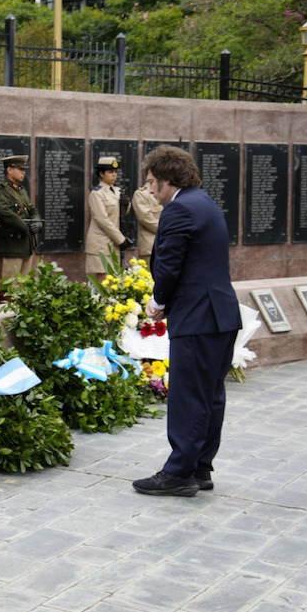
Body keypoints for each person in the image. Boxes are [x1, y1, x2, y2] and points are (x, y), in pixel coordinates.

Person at [134, 145, 241, 497]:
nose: (150, 190)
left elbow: (169, 265)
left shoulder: (179, 209)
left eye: (152, 182)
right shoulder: (204, 202)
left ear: (167, 179)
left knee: (188, 395)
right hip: (220, 314)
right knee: (210, 395)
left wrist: (158, 301)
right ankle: (200, 467)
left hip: (197, 315)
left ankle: (179, 472)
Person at [0, 154, 41, 299]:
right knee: (10, 286)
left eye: (24, 169)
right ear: (9, 170)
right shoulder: (1, 190)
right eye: (20, 169)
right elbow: (4, 212)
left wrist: (37, 222)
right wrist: (24, 226)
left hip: (26, 245)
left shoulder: (21, 190)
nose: (23, 172)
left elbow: (33, 210)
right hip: (11, 245)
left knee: (24, 286)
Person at [85, 156, 133, 278]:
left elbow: (120, 216)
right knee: (104, 281)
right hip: (101, 243)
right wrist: (120, 239)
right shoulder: (96, 193)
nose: (114, 175)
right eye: (110, 172)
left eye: (115, 172)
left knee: (115, 282)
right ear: (101, 174)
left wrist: (126, 205)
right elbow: (102, 220)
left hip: (114, 244)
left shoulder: (117, 191)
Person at [132, 179, 162, 267]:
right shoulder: (142, 194)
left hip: (168, 245)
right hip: (150, 247)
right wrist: (168, 231)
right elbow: (146, 219)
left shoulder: (167, 191)